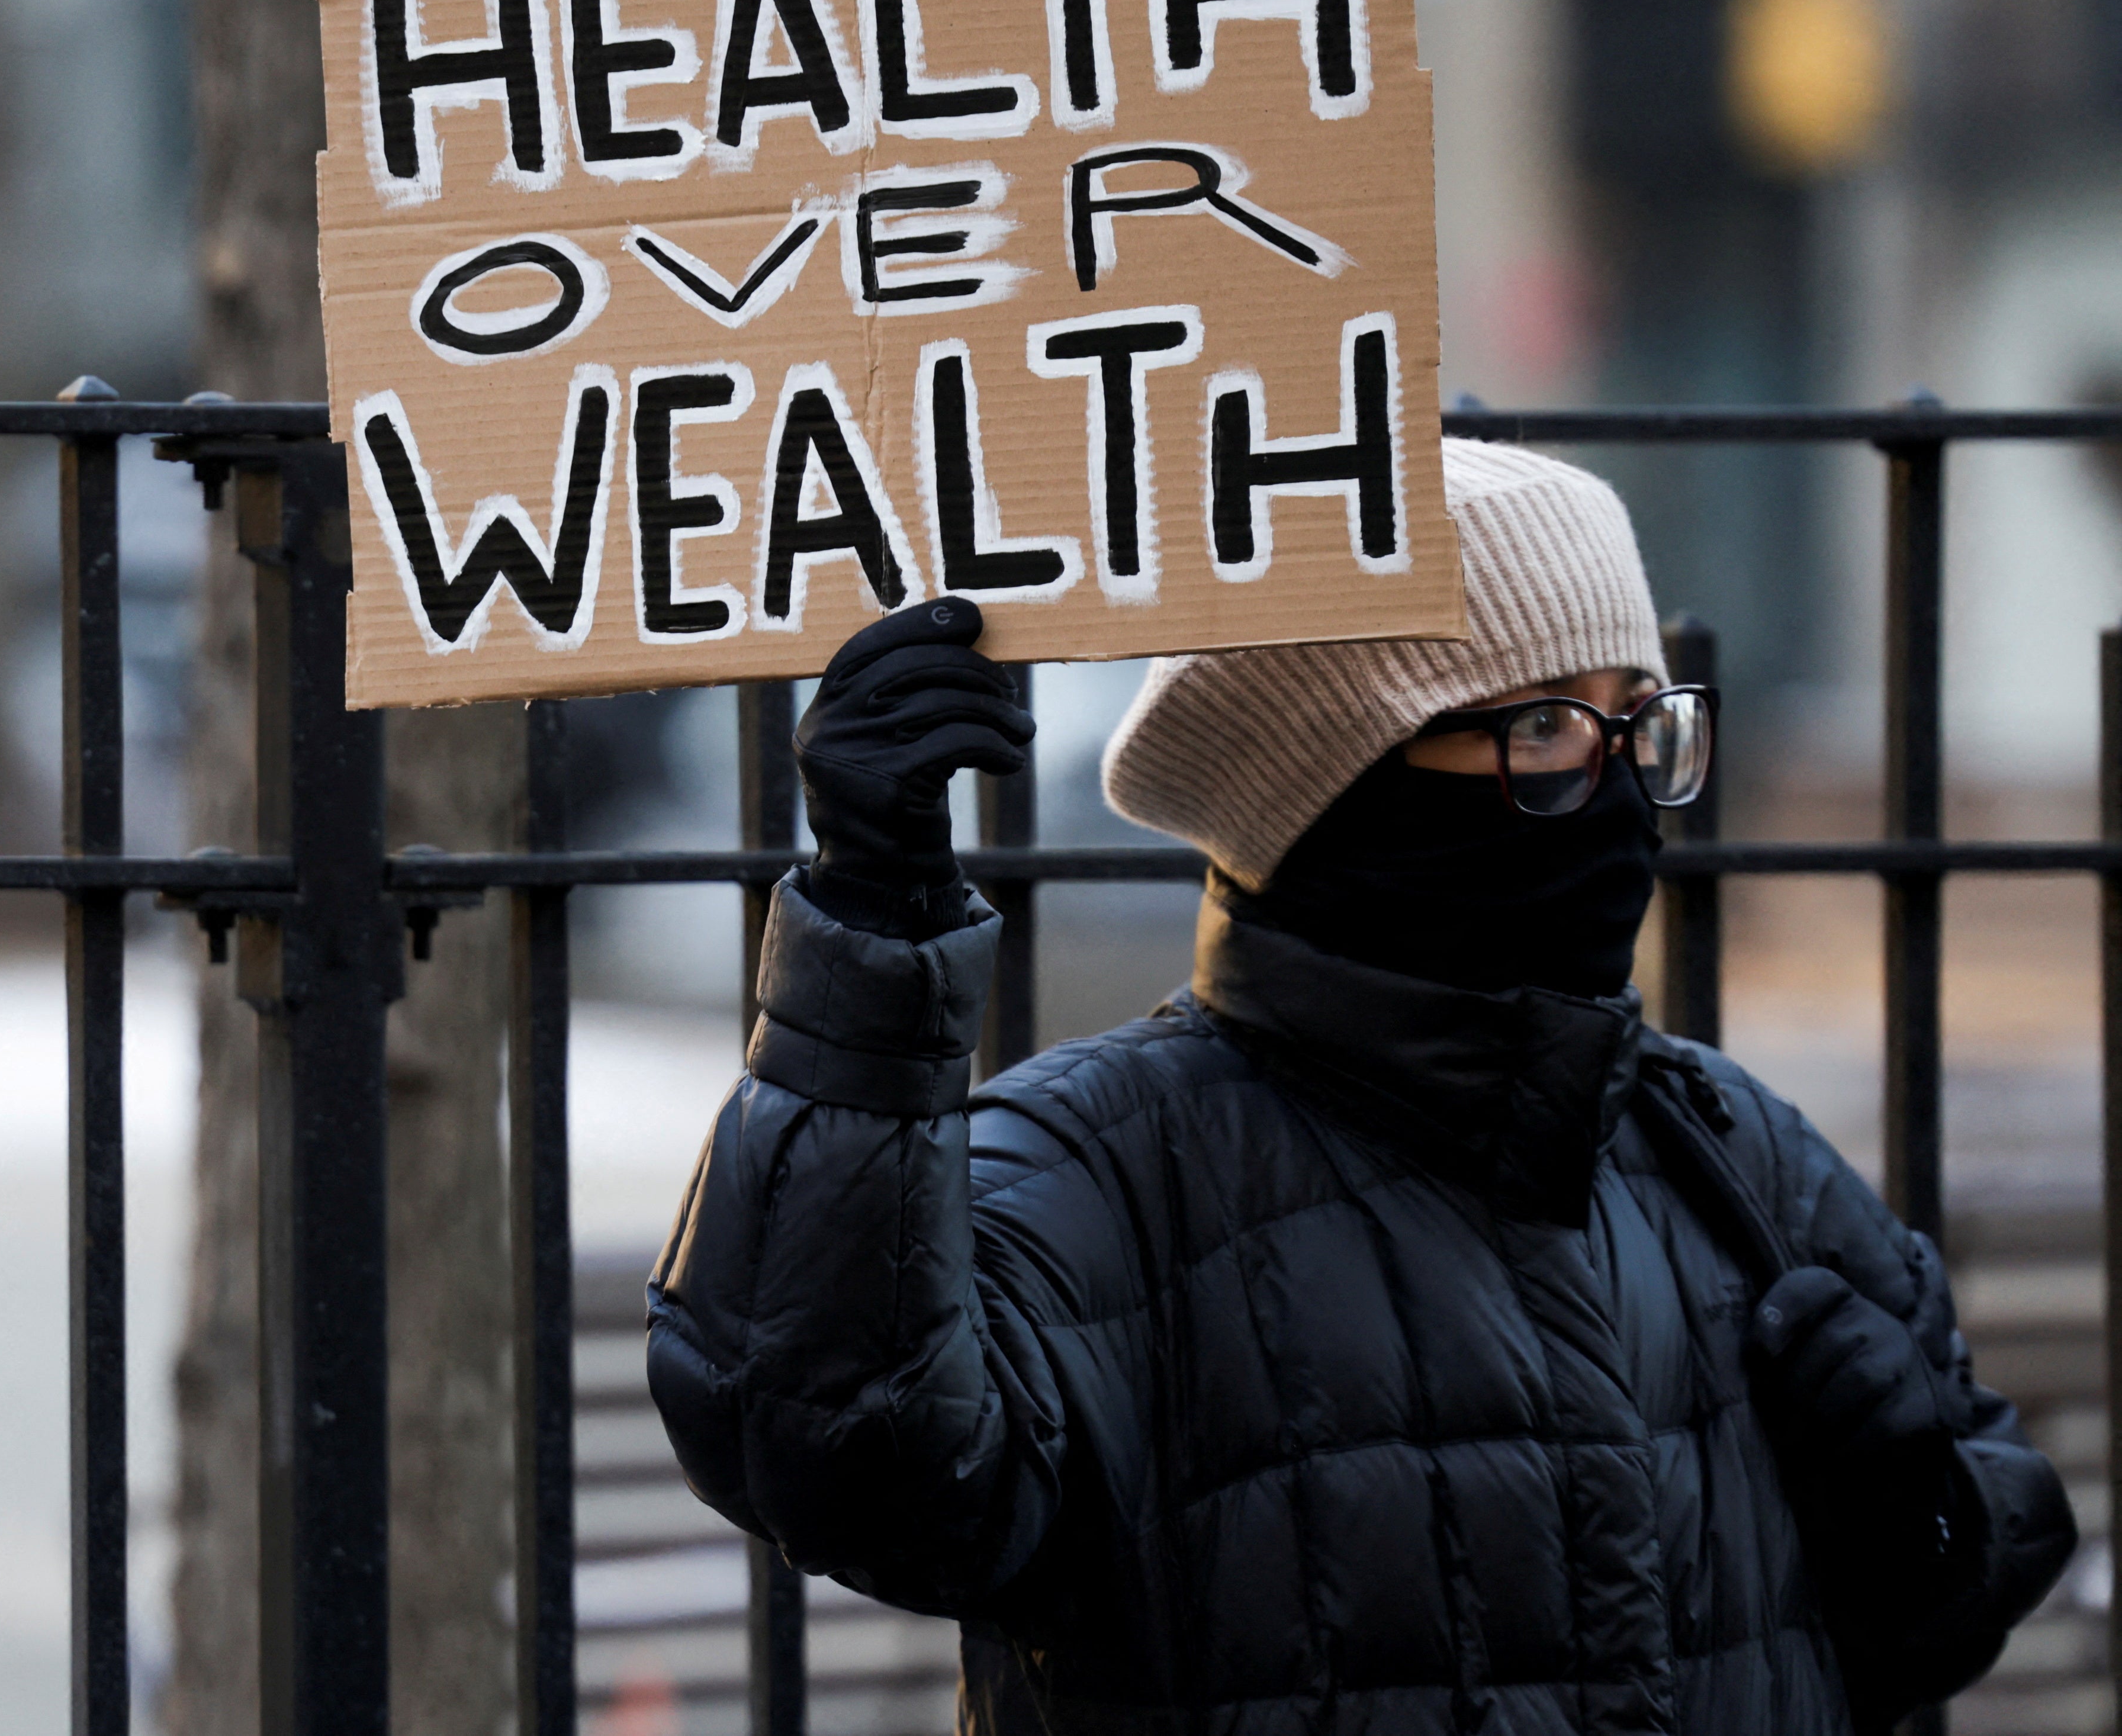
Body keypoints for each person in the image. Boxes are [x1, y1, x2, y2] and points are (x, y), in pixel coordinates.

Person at [647, 438, 2072, 1735]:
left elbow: (1954, 1586)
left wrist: (1918, 1513)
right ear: (1334, 781)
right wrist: (866, 940)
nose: (1622, 783)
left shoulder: (1716, 1143)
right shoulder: (1095, 1169)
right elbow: (842, 1455)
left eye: (1639, 722)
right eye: (1541, 731)